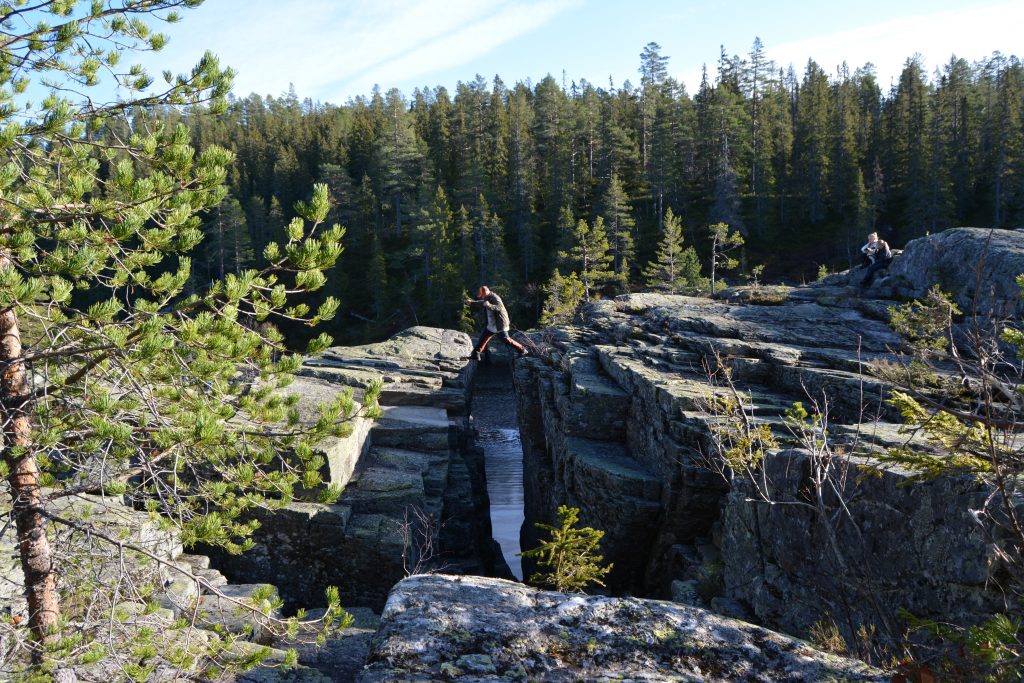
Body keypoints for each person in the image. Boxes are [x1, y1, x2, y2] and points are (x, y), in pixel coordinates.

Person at [466, 285, 528, 361]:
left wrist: (489, 305)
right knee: (483, 339)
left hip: (500, 323)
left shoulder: (495, 297)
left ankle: (522, 350)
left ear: (485, 292)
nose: (482, 297)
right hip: (492, 324)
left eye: (482, 295)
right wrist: (472, 303)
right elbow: (482, 302)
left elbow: (499, 307)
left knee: (506, 339)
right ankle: (475, 355)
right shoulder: (487, 297)